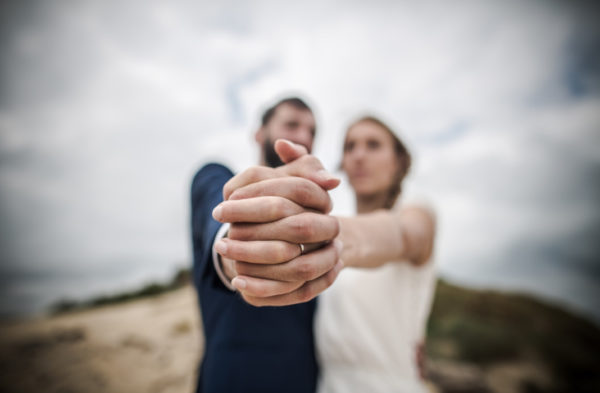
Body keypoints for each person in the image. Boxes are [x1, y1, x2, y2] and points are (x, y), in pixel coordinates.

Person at [190, 97, 342, 393]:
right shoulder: (214, 177)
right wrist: (240, 251)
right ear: (259, 133)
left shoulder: (320, 223)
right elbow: (219, 225)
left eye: (312, 131)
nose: (304, 137)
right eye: (292, 124)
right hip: (232, 381)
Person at [315, 116, 437, 392]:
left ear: (398, 161)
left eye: (373, 145)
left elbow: (405, 235)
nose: (359, 155)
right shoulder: (333, 225)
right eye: (350, 147)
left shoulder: (418, 212)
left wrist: (324, 235)